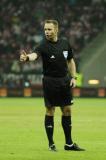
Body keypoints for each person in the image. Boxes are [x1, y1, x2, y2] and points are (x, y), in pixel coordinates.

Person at [20, 19, 85, 152]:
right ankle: (51, 144)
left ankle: (69, 144)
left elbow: (70, 61)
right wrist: (27, 58)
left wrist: (73, 77)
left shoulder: (65, 43)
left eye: (49, 29)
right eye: (45, 29)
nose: (47, 32)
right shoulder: (43, 45)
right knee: (50, 110)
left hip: (64, 81)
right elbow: (34, 55)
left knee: (67, 110)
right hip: (50, 81)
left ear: (56, 30)